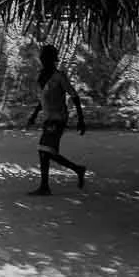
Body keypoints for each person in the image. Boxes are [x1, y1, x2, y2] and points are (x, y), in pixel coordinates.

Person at [26, 44, 87, 195]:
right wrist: (34, 115)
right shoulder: (42, 77)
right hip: (48, 118)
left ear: (52, 60)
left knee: (44, 150)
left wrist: (81, 119)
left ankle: (46, 186)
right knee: (46, 152)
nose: (42, 60)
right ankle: (76, 170)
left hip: (58, 118)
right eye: (42, 57)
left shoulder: (59, 77)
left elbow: (74, 96)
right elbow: (43, 100)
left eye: (45, 57)